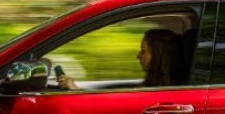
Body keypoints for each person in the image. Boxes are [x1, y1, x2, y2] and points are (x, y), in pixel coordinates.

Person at [57, 29, 189, 91]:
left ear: (159, 56)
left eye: (143, 50)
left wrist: (76, 90)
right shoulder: (157, 87)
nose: (138, 56)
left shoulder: (162, 92)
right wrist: (77, 89)